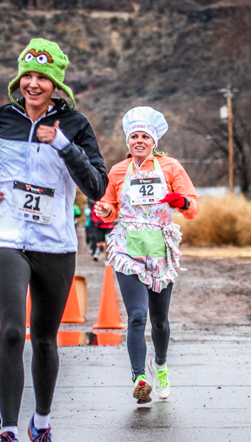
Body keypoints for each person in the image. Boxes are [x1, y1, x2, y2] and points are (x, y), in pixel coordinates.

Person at [0, 38, 107, 442]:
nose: (33, 84)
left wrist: (63, 144)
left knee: (46, 340)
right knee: (12, 331)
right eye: (27, 76)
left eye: (42, 78)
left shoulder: (76, 125)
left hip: (55, 244)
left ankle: (42, 426)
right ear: (19, 80)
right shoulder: (2, 118)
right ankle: (9, 435)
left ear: (56, 85)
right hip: (8, 237)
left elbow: (97, 186)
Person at [94, 106, 199, 404]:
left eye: (144, 136)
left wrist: (181, 201)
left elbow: (193, 207)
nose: (139, 141)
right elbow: (108, 207)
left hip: (160, 250)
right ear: (128, 142)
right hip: (128, 247)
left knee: (160, 321)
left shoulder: (170, 167)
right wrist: (104, 210)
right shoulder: (117, 171)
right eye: (134, 136)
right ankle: (139, 377)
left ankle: (160, 365)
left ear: (153, 141)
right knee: (137, 316)